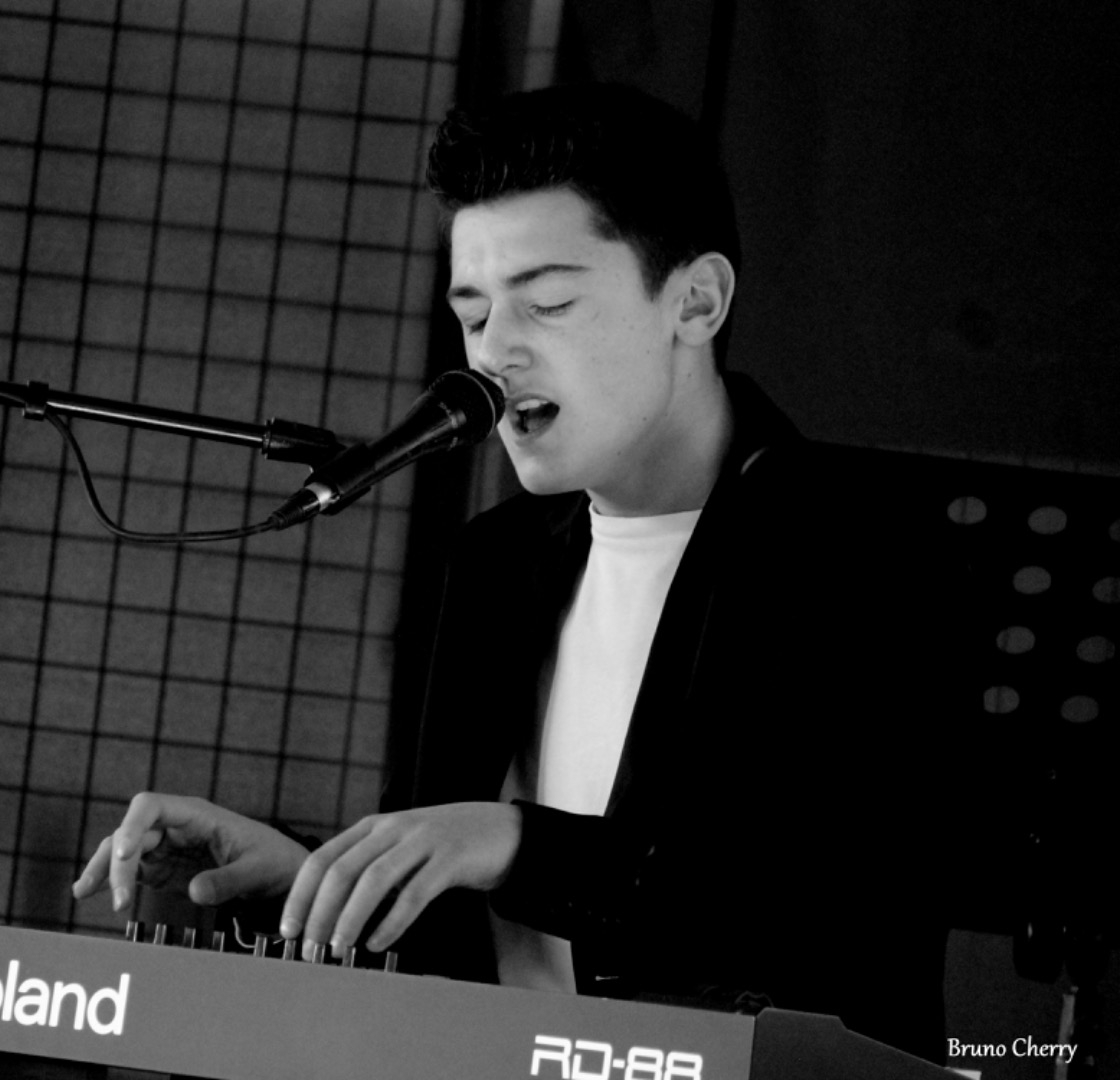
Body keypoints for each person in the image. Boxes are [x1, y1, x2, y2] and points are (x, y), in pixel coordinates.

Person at [73, 83, 958, 1064]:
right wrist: (320, 880)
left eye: (548, 303)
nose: (493, 352)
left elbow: (802, 902)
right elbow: (485, 934)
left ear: (695, 302)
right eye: (474, 313)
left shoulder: (851, 547)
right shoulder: (493, 561)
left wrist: (509, 842)